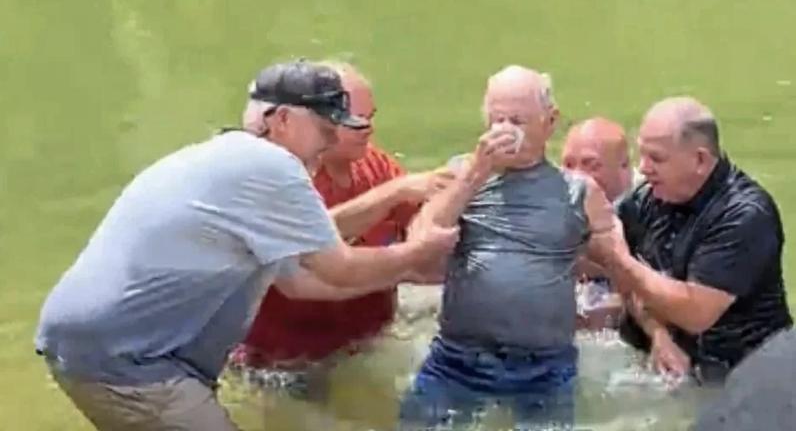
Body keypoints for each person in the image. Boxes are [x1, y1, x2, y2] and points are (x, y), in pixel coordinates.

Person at [33, 59, 460, 431]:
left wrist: (411, 271)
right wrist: (418, 250)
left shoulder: (229, 158)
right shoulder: (273, 167)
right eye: (325, 129)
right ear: (282, 120)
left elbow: (301, 283)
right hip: (129, 361)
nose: (333, 142)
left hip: (92, 345)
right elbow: (339, 267)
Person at [398, 65, 616, 429]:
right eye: (497, 120)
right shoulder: (461, 175)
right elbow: (417, 241)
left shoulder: (579, 191)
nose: (505, 130)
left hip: (545, 366)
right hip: (457, 359)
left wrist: (657, 333)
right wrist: (475, 175)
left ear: (550, 121)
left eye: (517, 121)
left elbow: (620, 263)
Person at [229, 62, 452, 397]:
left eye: (370, 118)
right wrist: (397, 205)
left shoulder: (375, 164)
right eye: (353, 120)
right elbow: (305, 248)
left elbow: (425, 227)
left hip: (366, 340)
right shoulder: (274, 178)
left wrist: (468, 182)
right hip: (283, 362)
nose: (367, 129)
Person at [591, 96, 793, 384]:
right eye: (642, 155)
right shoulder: (646, 198)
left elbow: (695, 313)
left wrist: (618, 258)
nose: (643, 168)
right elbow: (627, 278)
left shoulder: (745, 216)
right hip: (669, 364)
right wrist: (657, 333)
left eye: (656, 158)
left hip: (743, 379)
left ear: (700, 160)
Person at [561, 117, 633, 330]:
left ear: (624, 167)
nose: (577, 177)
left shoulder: (647, 210)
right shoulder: (551, 205)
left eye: (591, 166)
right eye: (568, 165)